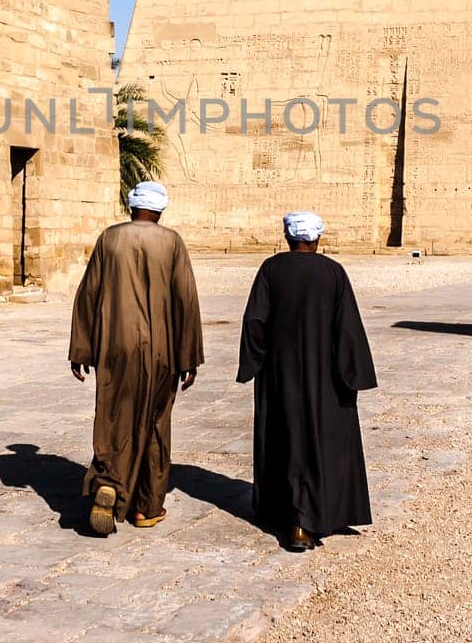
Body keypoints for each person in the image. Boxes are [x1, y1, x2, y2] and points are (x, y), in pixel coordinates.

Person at [236, 211, 376, 552]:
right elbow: (347, 328)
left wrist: (255, 363)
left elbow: (255, 321)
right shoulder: (333, 272)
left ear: (288, 237)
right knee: (321, 440)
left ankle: (292, 514)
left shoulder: (271, 269)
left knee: (287, 438)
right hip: (325, 377)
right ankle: (310, 518)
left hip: (280, 374)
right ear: (317, 239)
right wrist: (353, 373)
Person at [69, 181, 203, 535]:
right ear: (160, 209)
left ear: (131, 206)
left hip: (113, 345)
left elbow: (89, 293)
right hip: (162, 350)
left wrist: (81, 348)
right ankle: (147, 507)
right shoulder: (171, 242)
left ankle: (108, 483)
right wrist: (189, 356)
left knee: (114, 417)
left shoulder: (110, 239)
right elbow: (185, 299)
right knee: (156, 421)